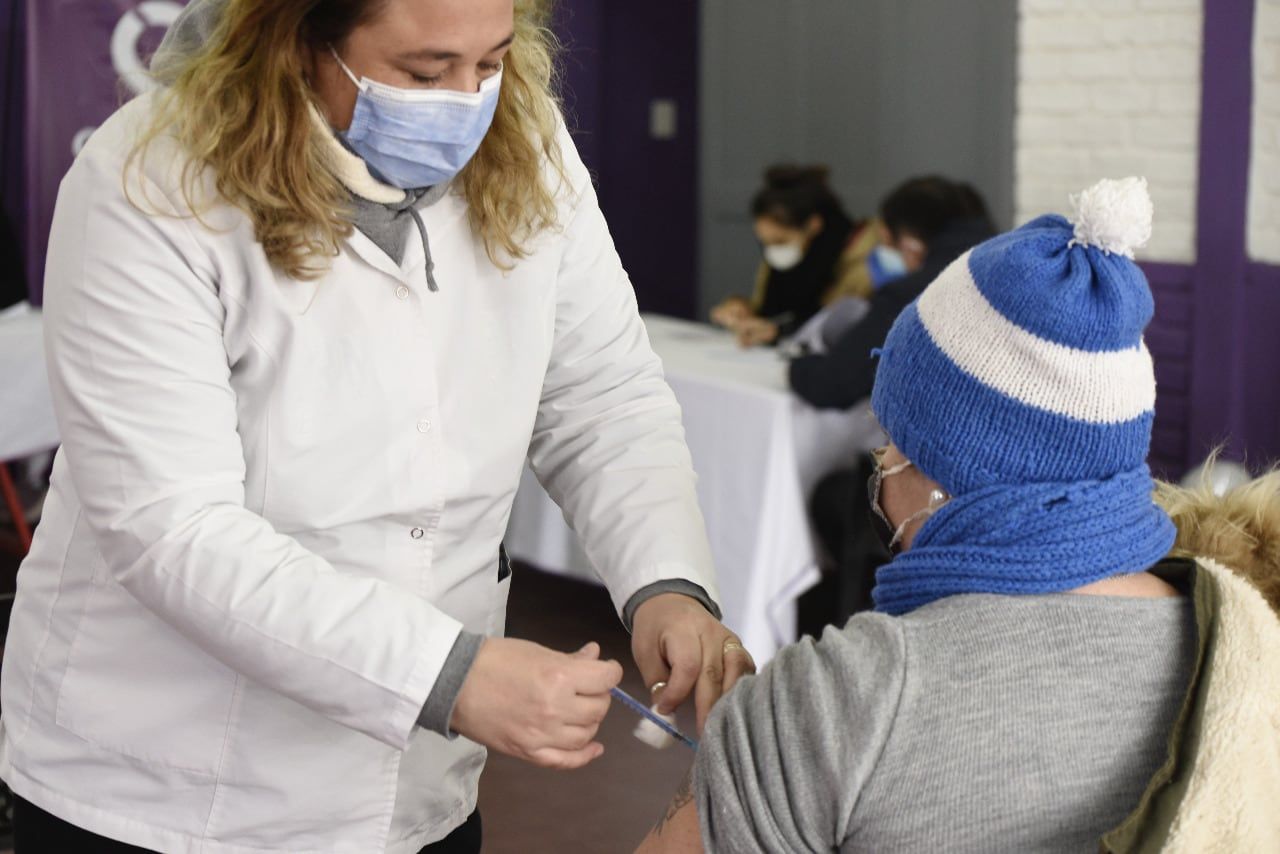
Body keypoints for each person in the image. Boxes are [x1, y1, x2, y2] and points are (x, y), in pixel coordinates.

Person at [0, 1, 755, 851]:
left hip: (414, 794)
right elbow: (171, 528)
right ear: (294, 38)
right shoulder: (151, 181)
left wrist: (667, 583)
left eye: (491, 60)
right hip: (168, 783)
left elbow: (602, 395)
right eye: (424, 73)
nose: (467, 102)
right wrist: (445, 674)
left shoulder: (524, 140)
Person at [636, 177, 1280, 852]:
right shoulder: (1245, 636)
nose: (881, 462)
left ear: (944, 472)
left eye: (891, 439)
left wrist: (755, 750)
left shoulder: (835, 704)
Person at [788, 175, 993, 409]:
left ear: (910, 244)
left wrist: (797, 364)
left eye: (885, 242)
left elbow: (830, 386)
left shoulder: (913, 296)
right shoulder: (1012, 275)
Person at [710, 165, 893, 347]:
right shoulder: (784, 254)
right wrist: (742, 310)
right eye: (764, 243)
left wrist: (778, 331)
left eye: (780, 241)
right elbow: (767, 309)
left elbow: (836, 327)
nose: (772, 251)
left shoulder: (866, 260)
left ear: (813, 225)